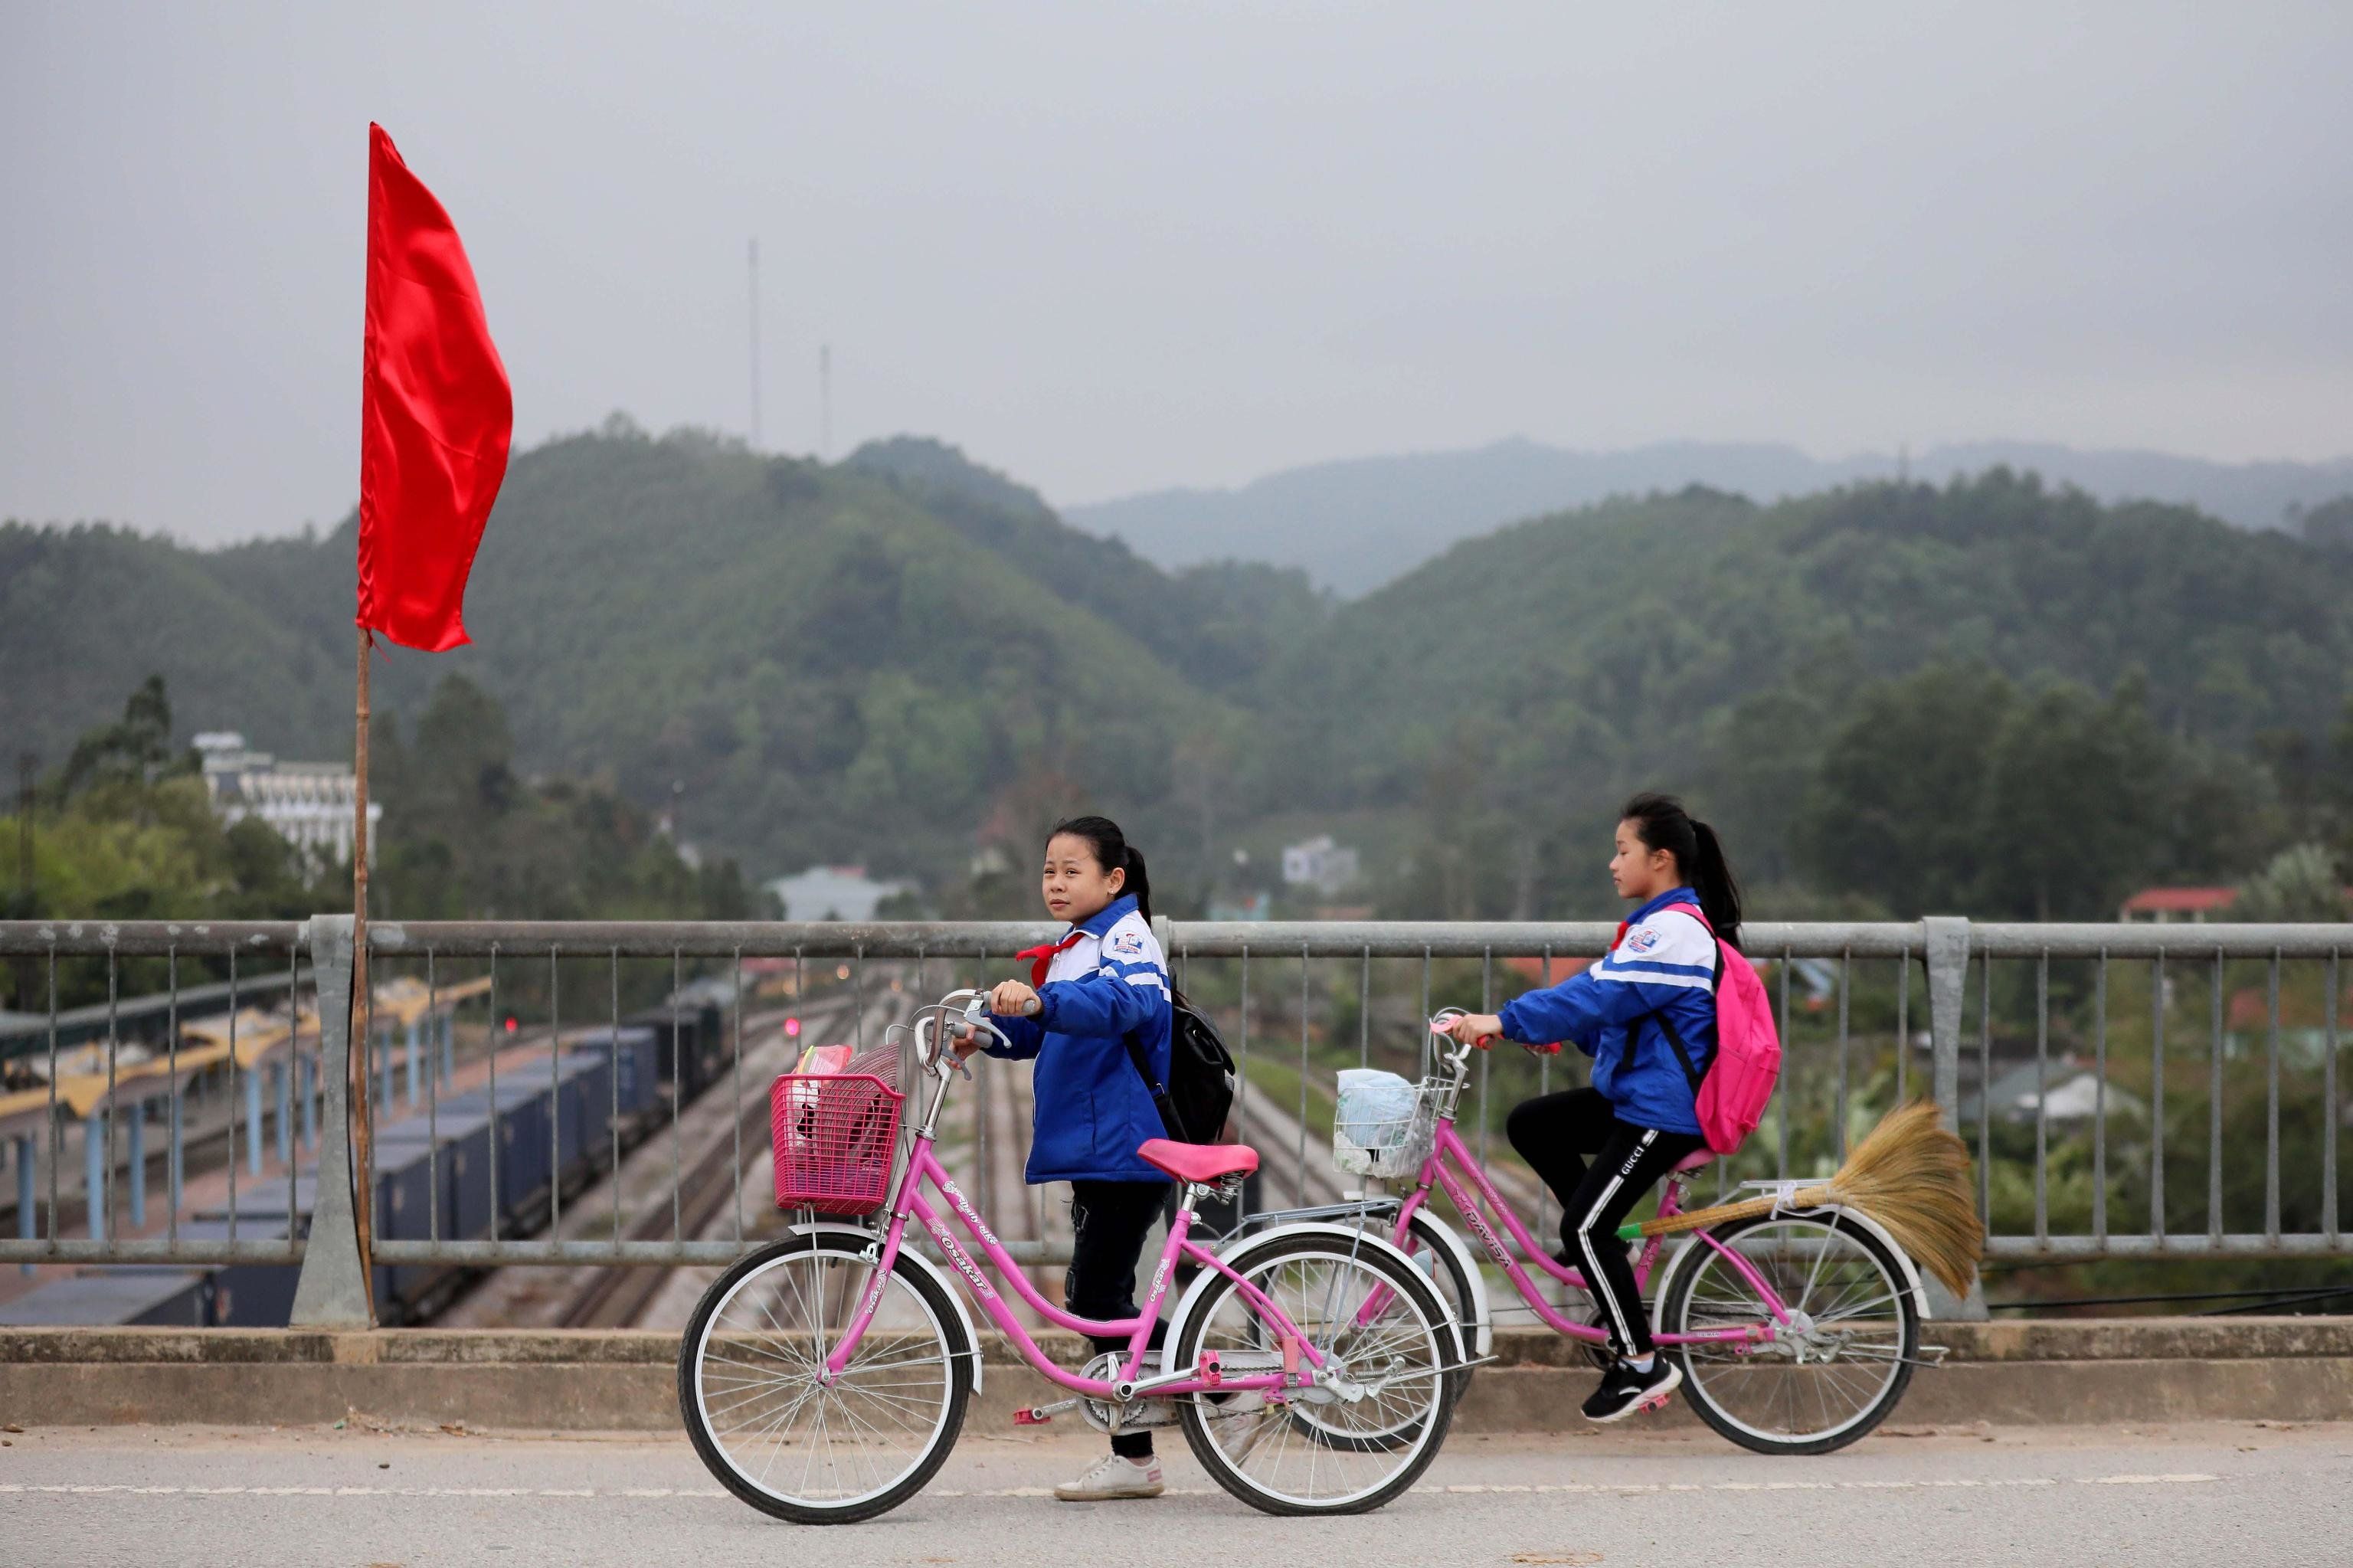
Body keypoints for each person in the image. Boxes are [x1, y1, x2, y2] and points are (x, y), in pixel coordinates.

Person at [1443, 792, 1743, 1422]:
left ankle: (1640, 1362)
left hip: (1664, 1112)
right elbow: (1623, 1016)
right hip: (1634, 1098)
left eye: (1623, 849)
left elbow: (1599, 993)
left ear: (1660, 859)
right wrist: (1536, 1030)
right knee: (1532, 1122)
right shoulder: (1658, 926)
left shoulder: (1674, 931)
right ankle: (1614, 1258)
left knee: (1582, 1226)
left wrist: (1507, 1016)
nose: (1613, 862)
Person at [957, 814, 1176, 1502]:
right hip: (1097, 1145)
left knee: (1096, 1297)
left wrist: (1044, 996)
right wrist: (987, 1034)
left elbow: (1129, 1001)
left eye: (1071, 870)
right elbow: (1047, 1031)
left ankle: (1194, 1404)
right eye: (1049, 870)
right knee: (1101, 1297)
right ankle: (1139, 1447)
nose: (1055, 882)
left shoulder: (1126, 933)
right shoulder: (1077, 943)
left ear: (1113, 879)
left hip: (1127, 1144)